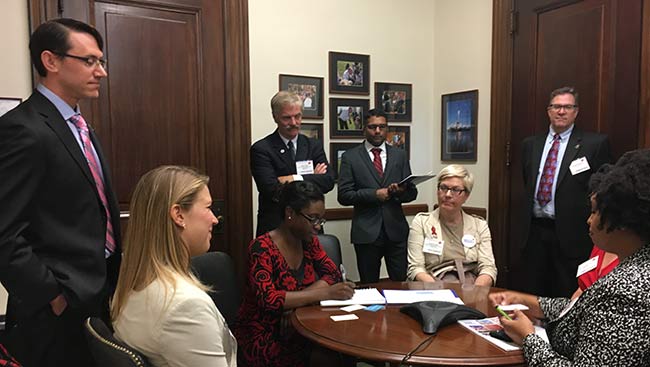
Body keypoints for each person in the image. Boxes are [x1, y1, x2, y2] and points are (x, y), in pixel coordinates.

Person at [0, 19, 121, 367]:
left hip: (97, 293)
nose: (101, 72)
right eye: (89, 61)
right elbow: (4, 231)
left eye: (101, 61)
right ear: (51, 61)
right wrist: (51, 294)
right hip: (56, 305)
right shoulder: (23, 129)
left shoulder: (80, 126)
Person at [490, 149, 650, 366]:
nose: (589, 221)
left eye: (594, 212)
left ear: (621, 221)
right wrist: (527, 301)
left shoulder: (625, 291)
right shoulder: (637, 265)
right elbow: (584, 310)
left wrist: (529, 338)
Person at [112, 166, 236, 367]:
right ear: (179, 215)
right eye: (208, 207)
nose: (215, 219)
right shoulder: (186, 307)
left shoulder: (131, 283)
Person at [234, 181, 355, 367]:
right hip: (265, 334)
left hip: (299, 323)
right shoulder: (261, 248)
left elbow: (333, 274)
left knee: (343, 353)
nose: (317, 226)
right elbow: (269, 300)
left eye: (321, 219)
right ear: (290, 213)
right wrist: (324, 293)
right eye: (313, 218)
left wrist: (296, 306)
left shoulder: (309, 242)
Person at [520, 86, 611, 297]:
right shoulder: (530, 144)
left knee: (566, 293)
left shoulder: (594, 144)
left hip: (573, 235)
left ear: (576, 111)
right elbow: (527, 181)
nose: (561, 111)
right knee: (533, 292)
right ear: (548, 110)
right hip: (535, 232)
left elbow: (603, 188)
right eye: (556, 106)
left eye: (567, 107)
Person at [337, 109, 418, 283]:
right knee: (369, 285)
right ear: (364, 129)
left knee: (401, 284)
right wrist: (374, 194)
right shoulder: (350, 157)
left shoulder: (399, 155)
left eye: (382, 127)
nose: (378, 131)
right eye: (373, 127)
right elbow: (344, 195)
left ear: (387, 128)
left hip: (396, 230)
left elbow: (412, 193)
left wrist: (401, 192)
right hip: (366, 232)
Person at [250, 91, 335, 236]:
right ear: (275, 117)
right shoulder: (262, 149)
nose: (294, 123)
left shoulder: (313, 145)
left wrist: (295, 178)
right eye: (287, 118)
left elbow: (328, 181)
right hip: (276, 227)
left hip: (310, 227)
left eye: (298, 116)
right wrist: (312, 177)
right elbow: (271, 190)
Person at [407, 165, 497, 286]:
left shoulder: (479, 225)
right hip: (433, 284)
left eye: (455, 190)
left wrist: (475, 292)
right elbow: (416, 268)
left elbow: (488, 268)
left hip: (471, 286)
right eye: (443, 188)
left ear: (466, 195)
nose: (448, 194)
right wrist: (438, 291)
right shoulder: (422, 222)